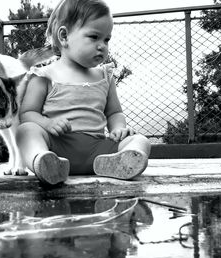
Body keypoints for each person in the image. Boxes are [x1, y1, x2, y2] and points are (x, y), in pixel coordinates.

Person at [16, 0, 151, 185]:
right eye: (94, 37)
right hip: (56, 147)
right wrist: (47, 123)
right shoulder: (44, 75)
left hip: (98, 151)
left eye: (106, 39)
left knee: (140, 140)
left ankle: (117, 164)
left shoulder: (104, 76)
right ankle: (45, 162)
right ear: (64, 36)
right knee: (26, 131)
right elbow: (27, 114)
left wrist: (118, 129)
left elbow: (114, 113)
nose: (102, 45)